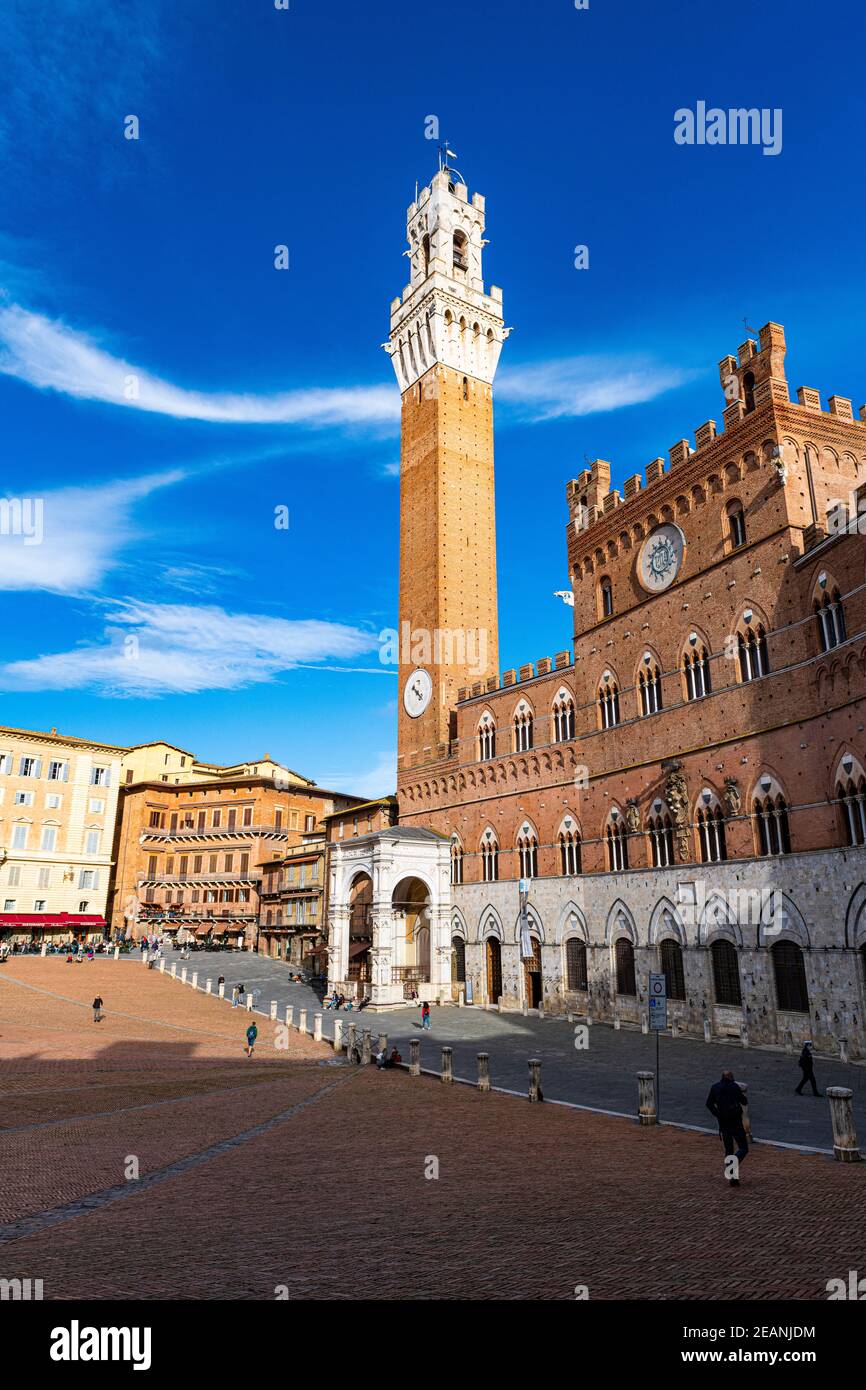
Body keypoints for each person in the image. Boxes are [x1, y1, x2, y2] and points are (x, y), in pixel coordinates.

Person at [706, 1069, 749, 1184]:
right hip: (735, 1122)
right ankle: (732, 1165)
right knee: (743, 1148)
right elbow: (744, 1101)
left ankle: (733, 1177)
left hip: (723, 1123)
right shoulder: (734, 1087)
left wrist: (718, 1114)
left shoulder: (715, 1087)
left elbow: (709, 1104)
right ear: (730, 1077)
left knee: (729, 1149)